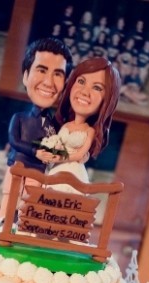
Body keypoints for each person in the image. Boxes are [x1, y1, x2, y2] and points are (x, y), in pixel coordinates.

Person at [0, 37, 72, 224]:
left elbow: (59, 149)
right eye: (41, 70)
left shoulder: (54, 126)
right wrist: (34, 151)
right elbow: (14, 141)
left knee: (28, 204)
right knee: (10, 200)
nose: (48, 81)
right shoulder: (20, 118)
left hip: (38, 174)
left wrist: (57, 155)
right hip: (17, 167)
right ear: (25, 76)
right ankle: (3, 225)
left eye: (58, 74)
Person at [46, 57, 120, 193]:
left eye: (97, 88)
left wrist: (61, 157)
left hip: (72, 172)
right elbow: (56, 145)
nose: (85, 92)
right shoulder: (65, 125)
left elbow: (80, 155)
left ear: (107, 99)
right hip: (55, 168)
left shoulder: (89, 131)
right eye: (81, 81)